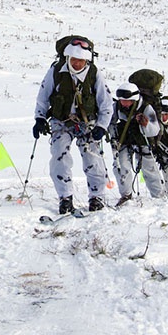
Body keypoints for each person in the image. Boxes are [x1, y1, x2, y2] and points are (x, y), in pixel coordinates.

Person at [33, 36, 113, 214]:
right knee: (59, 159)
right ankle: (65, 198)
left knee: (93, 159)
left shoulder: (94, 74)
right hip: (61, 121)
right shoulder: (55, 71)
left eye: (81, 60)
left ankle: (97, 197)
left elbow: (106, 103)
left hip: (88, 123)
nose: (77, 63)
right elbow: (43, 96)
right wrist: (39, 119)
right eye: (74, 60)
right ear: (68, 58)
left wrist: (102, 126)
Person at [108, 82, 166, 206]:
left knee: (149, 169)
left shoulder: (146, 108)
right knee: (121, 167)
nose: (123, 103)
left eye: (126, 100)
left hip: (142, 141)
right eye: (122, 100)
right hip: (124, 140)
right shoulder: (116, 107)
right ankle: (126, 195)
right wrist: (113, 137)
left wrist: (146, 124)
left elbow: (155, 130)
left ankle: (159, 197)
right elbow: (110, 122)